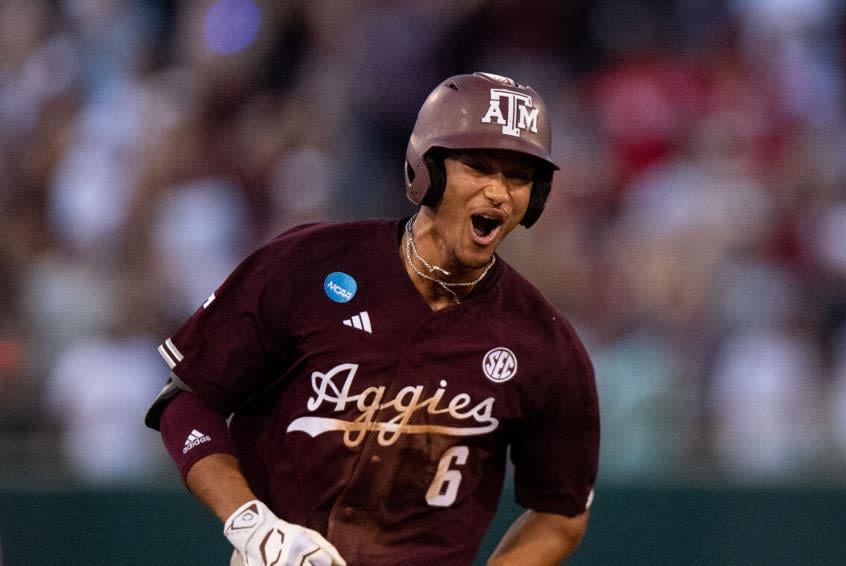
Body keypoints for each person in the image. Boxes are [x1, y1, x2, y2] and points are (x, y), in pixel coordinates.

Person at [144, 72, 600, 566]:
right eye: (478, 166)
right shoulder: (308, 262)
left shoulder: (542, 341)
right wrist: (254, 525)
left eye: (517, 177)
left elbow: (560, 512)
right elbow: (187, 401)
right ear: (429, 169)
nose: (498, 192)